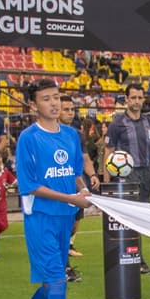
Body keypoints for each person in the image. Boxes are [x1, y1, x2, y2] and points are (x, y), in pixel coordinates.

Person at [10, 79, 100, 299]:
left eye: (57, 97)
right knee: (58, 281)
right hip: (40, 218)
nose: (54, 103)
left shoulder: (71, 135)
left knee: (51, 284)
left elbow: (74, 173)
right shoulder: (28, 138)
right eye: (46, 98)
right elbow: (30, 185)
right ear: (34, 105)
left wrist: (82, 190)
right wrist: (72, 198)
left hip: (65, 218)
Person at [104, 83, 150, 274]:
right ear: (126, 100)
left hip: (146, 174)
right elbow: (108, 152)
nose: (137, 101)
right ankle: (129, 258)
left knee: (139, 218)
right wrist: (107, 183)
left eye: (140, 97)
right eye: (133, 97)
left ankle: (135, 257)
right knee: (125, 218)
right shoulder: (117, 124)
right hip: (125, 177)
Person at [60, 95, 100, 261]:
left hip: (75, 182)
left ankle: (67, 249)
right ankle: (63, 264)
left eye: (72, 110)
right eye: (66, 110)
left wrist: (92, 175)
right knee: (60, 223)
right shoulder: (49, 134)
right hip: (58, 184)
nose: (70, 113)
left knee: (75, 221)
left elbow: (84, 158)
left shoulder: (76, 134)